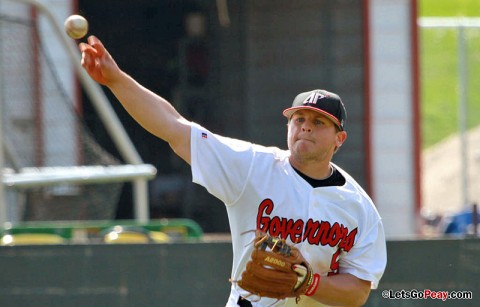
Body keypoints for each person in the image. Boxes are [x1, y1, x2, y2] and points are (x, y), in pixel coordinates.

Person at [79, 35, 387, 307]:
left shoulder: (358, 208)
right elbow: (175, 128)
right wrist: (116, 80)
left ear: (339, 139)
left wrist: (310, 283)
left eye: (318, 122)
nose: (305, 126)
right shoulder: (253, 167)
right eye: (298, 119)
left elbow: (358, 292)